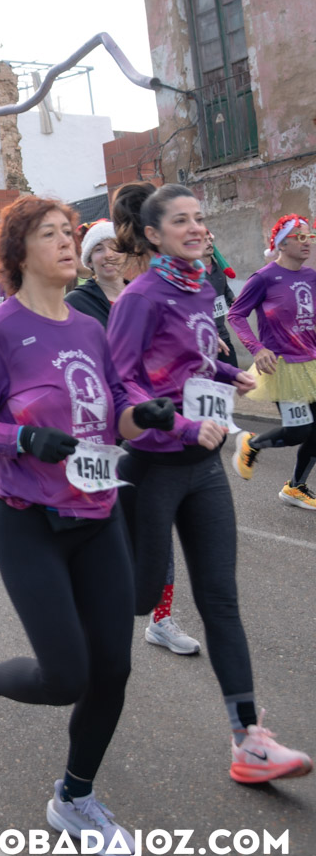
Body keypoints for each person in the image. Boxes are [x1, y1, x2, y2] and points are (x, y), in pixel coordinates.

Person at [0, 195, 177, 856]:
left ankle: (74, 799)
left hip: (98, 515)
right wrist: (20, 438)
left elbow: (114, 416)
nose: (69, 243)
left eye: (70, 232)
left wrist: (144, 416)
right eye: (51, 234)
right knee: (66, 676)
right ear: (19, 252)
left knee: (113, 670)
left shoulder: (90, 328)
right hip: (29, 521)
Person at [110, 182, 311, 783]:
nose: (196, 228)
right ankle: (63, 621)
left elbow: (190, 358)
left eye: (199, 218)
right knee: (139, 599)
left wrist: (228, 372)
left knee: (220, 600)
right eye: (181, 221)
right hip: (153, 466)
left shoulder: (200, 285)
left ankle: (248, 740)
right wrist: (178, 423)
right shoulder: (140, 297)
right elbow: (123, 384)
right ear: (153, 234)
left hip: (203, 466)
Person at [67, 220, 200, 657]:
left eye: (115, 246)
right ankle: (86, 618)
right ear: (88, 260)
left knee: (156, 524)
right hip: (100, 428)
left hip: (147, 423)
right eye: (98, 249)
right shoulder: (77, 303)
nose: (108, 255)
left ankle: (161, 619)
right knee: (100, 527)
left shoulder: (142, 294)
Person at [229, 214, 316, 508]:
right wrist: (256, 348)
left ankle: (295, 488)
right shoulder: (264, 278)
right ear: (282, 243)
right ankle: (251, 444)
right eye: (300, 237)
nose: (307, 242)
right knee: (298, 431)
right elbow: (236, 315)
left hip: (311, 363)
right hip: (282, 367)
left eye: (309, 236)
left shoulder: (312, 277)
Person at [205, 232, 237, 358]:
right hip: (202, 340)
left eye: (210, 240)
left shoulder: (219, 268)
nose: (209, 243)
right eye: (204, 241)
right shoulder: (190, 273)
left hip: (223, 336)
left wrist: (234, 300)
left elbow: (225, 290)